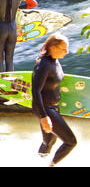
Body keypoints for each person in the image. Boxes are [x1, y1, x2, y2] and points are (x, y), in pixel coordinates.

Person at [32, 33, 77, 166]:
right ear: (53, 47)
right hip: (45, 109)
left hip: (53, 107)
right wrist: (43, 117)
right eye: (64, 48)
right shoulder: (43, 64)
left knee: (49, 141)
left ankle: (37, 161)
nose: (66, 52)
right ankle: (51, 165)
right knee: (70, 142)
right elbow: (36, 91)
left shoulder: (54, 61)